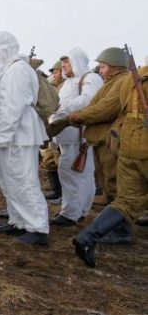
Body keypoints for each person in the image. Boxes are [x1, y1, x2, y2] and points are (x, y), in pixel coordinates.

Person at [70, 56, 148, 267]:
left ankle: (88, 237)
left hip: (129, 142)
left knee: (127, 199)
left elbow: (115, 108)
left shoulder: (128, 80)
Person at [0, 31, 49, 245]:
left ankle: (37, 227)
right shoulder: (10, 70)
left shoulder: (17, 71)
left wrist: (0, 136)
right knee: (10, 181)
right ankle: (19, 221)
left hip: (17, 136)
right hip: (11, 135)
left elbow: (11, 108)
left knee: (24, 181)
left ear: (2, 48)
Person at [68, 47, 131, 242]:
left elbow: (105, 108)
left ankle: (121, 230)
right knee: (107, 182)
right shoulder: (112, 82)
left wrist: (80, 116)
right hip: (103, 139)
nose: (100, 70)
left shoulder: (121, 82)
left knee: (115, 183)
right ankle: (113, 227)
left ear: (114, 67)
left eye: (103, 66)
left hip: (111, 139)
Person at [49, 48, 103, 227]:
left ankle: (71, 213)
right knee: (77, 175)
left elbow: (89, 101)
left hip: (78, 137)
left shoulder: (90, 78)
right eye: (63, 62)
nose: (63, 66)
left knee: (73, 174)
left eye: (67, 62)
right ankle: (78, 211)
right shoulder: (69, 82)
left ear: (77, 61)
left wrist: (62, 106)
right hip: (68, 137)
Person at [41, 59, 66, 202]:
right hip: (51, 126)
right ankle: (56, 191)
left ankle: (61, 193)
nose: (55, 74)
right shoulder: (53, 86)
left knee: (60, 161)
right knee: (49, 159)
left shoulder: (66, 87)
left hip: (60, 128)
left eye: (56, 72)